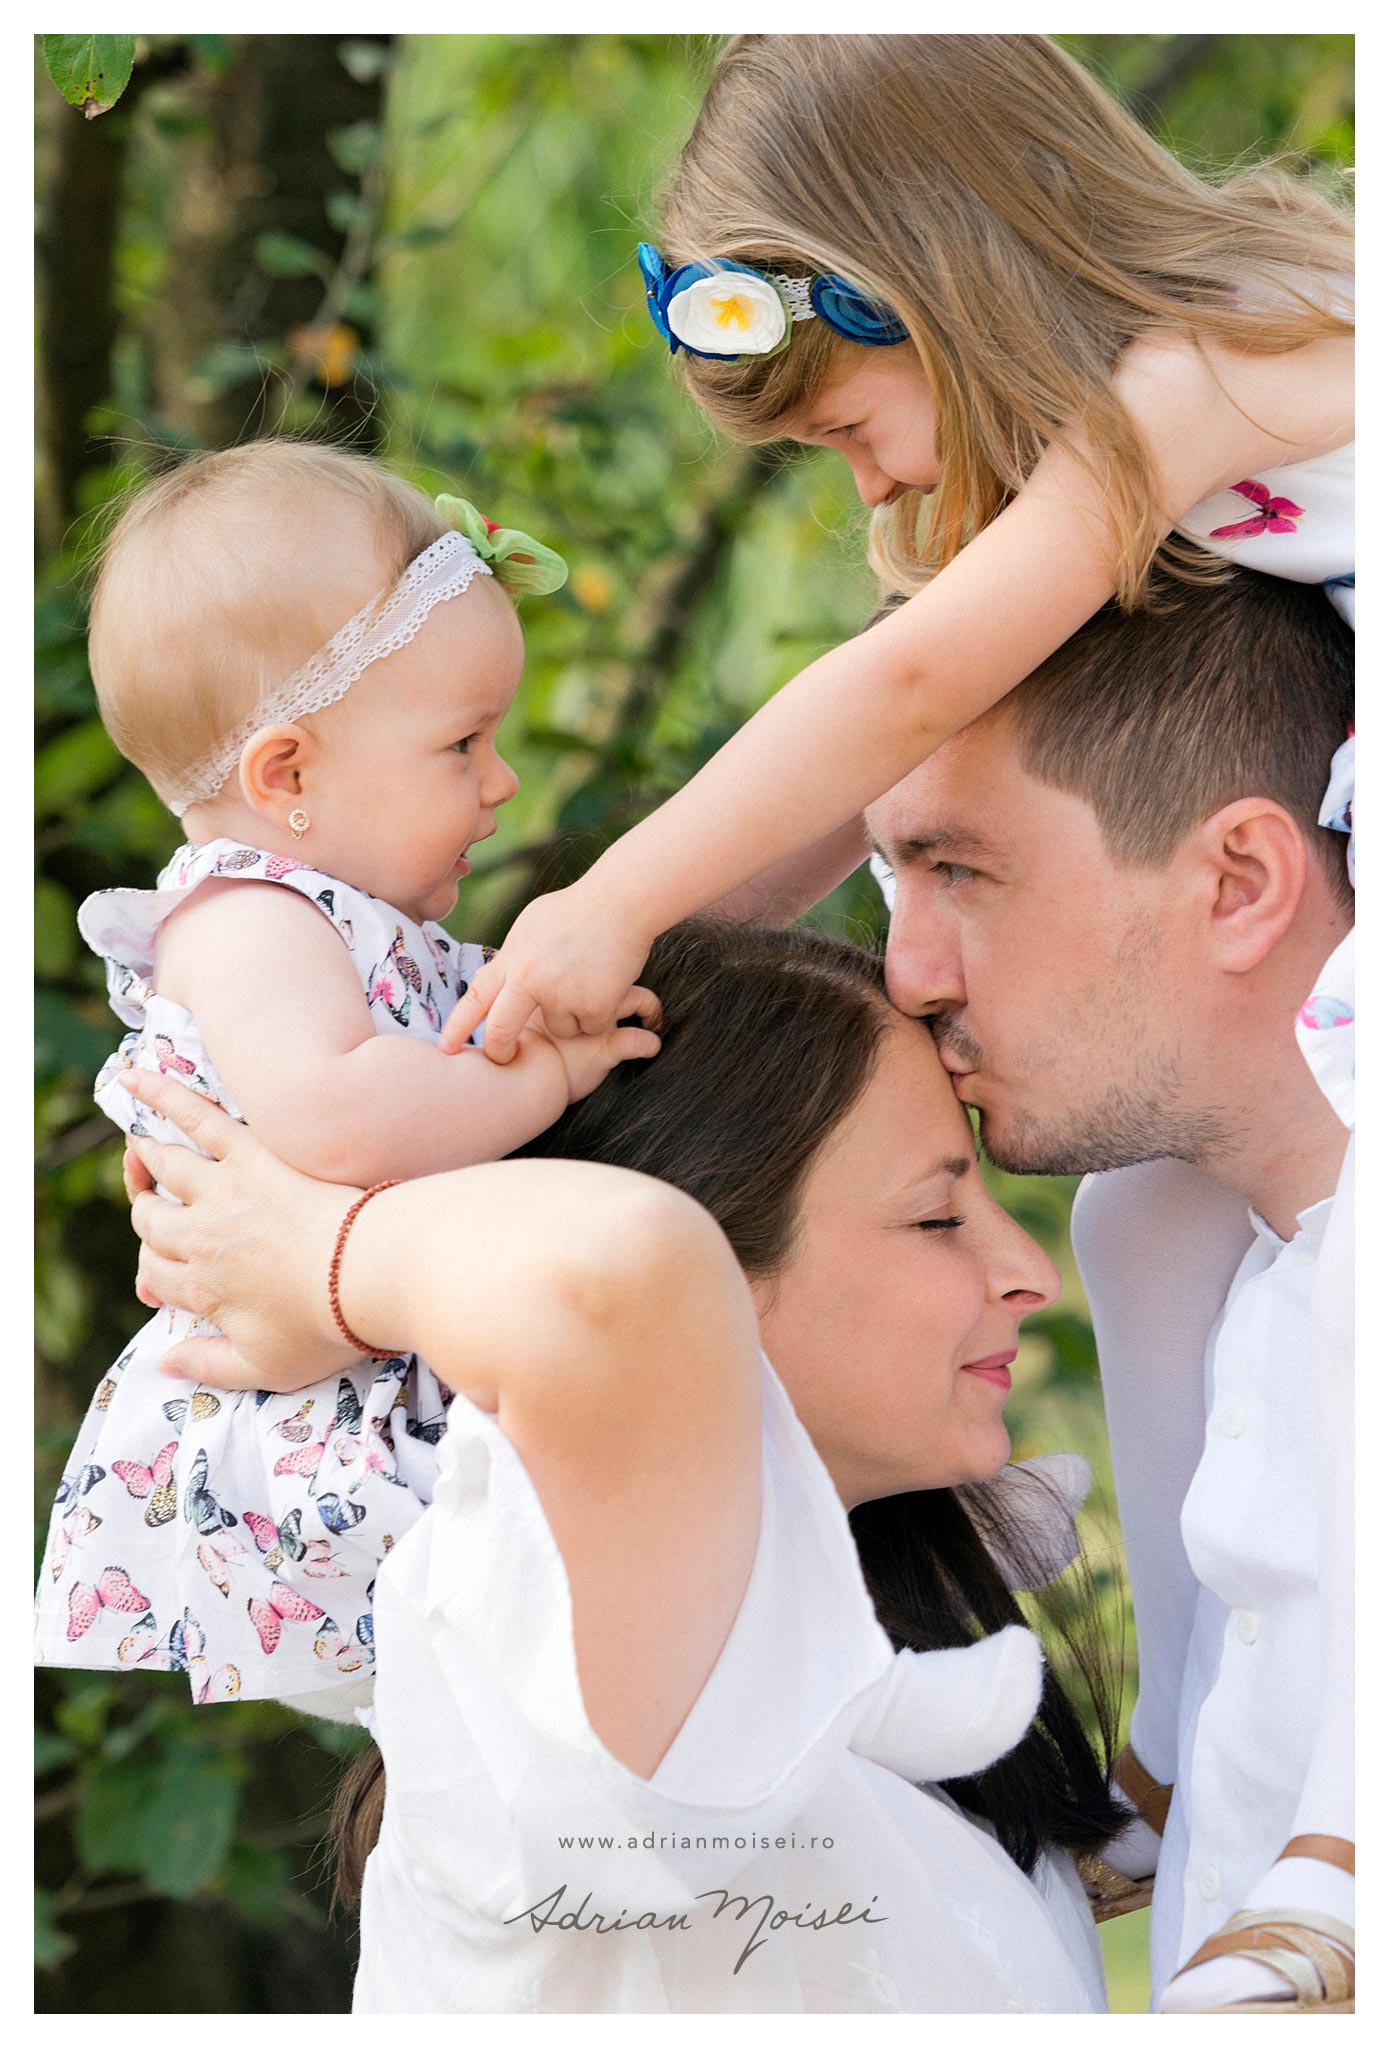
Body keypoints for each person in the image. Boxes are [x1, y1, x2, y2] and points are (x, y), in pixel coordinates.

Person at [117, 917, 1126, 2013]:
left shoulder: (839, 1658)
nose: (1026, 1268)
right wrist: (324, 1257)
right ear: (713, 1270)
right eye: (935, 1215)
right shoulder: (539, 1679)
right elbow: (618, 1269)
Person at [440, 32, 1353, 1140]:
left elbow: (911, 685)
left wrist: (613, 900)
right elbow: (866, 766)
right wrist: (587, 978)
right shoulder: (1143, 421)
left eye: (849, 430)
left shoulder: (1205, 370)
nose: (873, 487)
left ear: (945, 297)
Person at [34, 440, 659, 1709]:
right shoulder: (243, 919)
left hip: (375, 1348)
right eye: (463, 744)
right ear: (288, 775)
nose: (503, 781)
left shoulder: (329, 913)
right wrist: (539, 1082)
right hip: (320, 1417)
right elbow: (339, 1119)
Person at [863, 564, 1354, 2013]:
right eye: (884, 879)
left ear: (1238, 883)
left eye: (959, 871)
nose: (903, 971)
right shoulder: (1164, 1238)